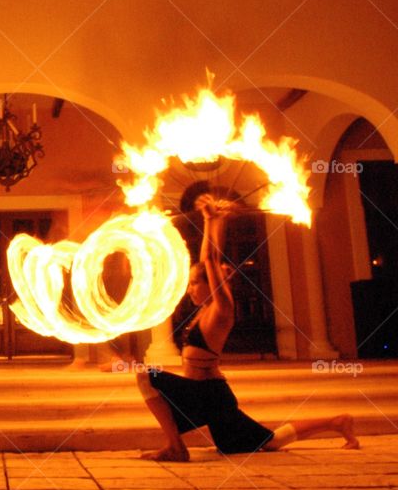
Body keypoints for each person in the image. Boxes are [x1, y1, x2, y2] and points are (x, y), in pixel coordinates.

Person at [135, 194, 359, 461]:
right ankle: (336, 422)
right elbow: (212, 260)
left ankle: (175, 447)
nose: (189, 289)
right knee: (270, 442)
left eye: (195, 283)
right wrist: (218, 220)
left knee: (145, 376)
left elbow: (211, 258)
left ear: (211, 284)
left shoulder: (222, 310)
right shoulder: (205, 311)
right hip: (206, 397)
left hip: (208, 395)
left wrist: (209, 221)